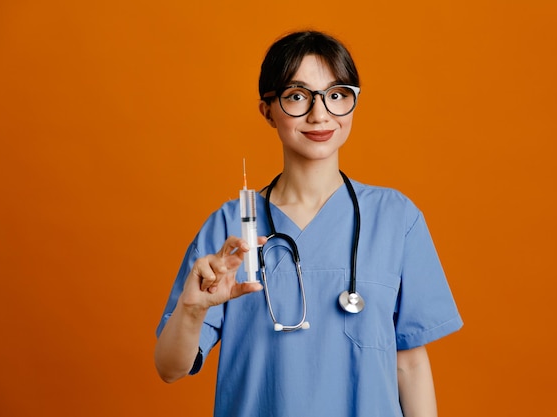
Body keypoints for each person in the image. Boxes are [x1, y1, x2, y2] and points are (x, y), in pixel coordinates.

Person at [154, 30, 462, 417]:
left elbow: (411, 364)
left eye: (336, 95)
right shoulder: (231, 228)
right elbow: (170, 368)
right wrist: (192, 309)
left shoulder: (395, 218)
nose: (320, 114)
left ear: (353, 103)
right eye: (297, 96)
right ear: (267, 110)